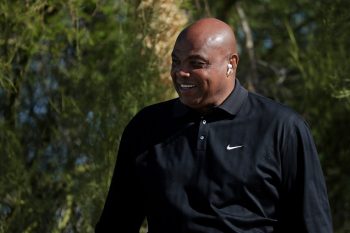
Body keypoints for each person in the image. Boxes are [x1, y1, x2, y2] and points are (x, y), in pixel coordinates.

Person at [95, 18, 333, 233]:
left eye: (196, 63)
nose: (180, 73)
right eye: (176, 61)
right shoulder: (146, 127)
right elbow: (117, 223)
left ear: (231, 64)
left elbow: (312, 224)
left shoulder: (282, 127)